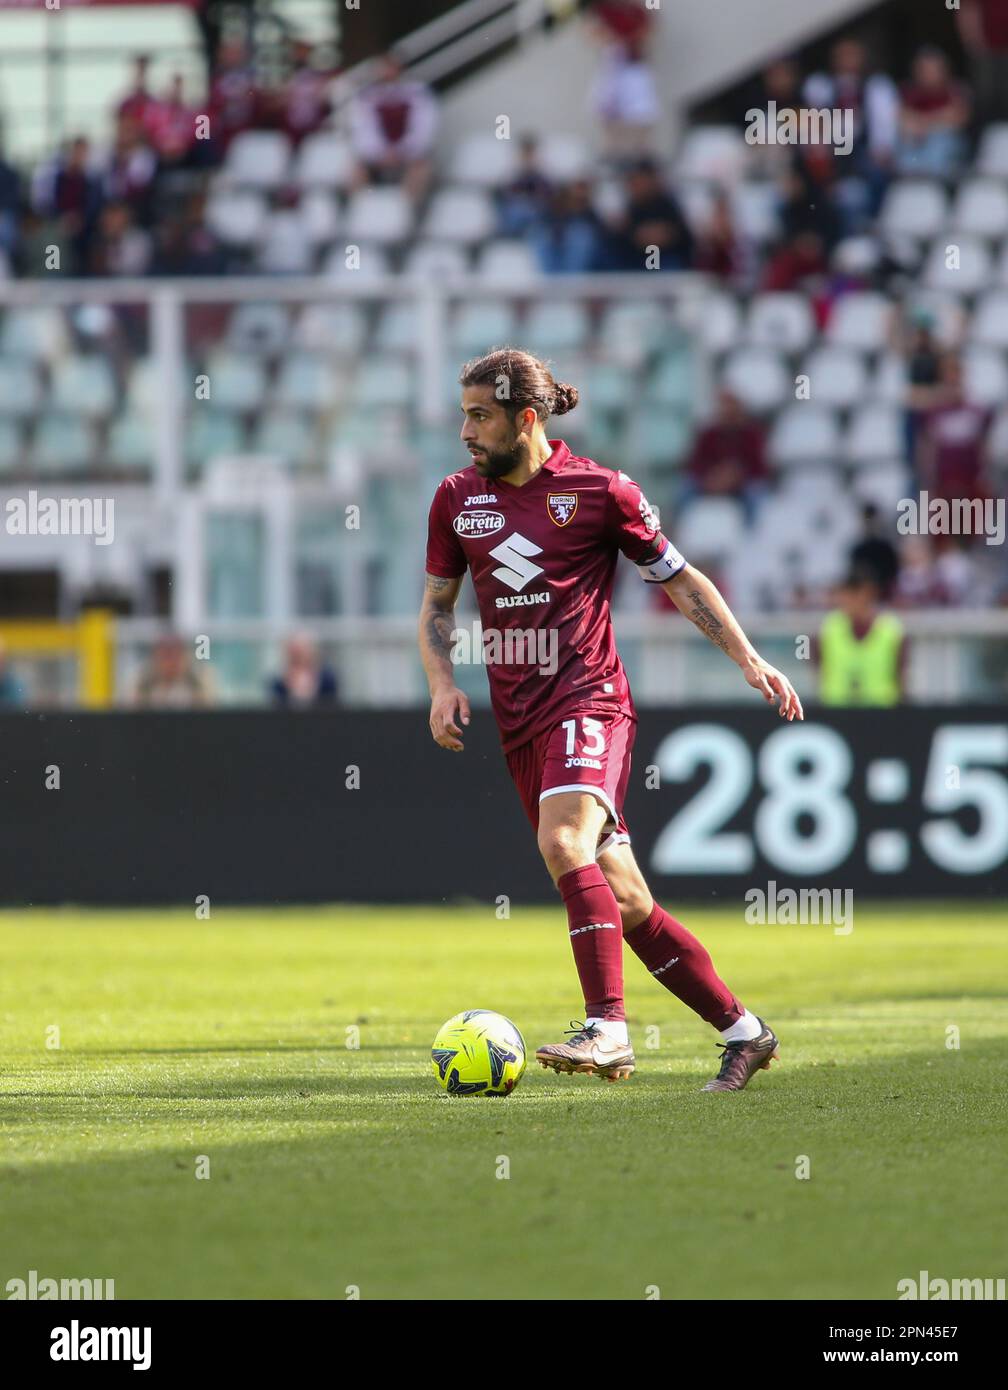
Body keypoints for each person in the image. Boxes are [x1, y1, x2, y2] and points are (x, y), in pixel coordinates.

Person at [419, 348, 803, 1093]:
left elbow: (680, 578)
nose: (464, 431)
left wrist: (749, 659)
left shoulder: (600, 491)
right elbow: (437, 607)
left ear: (525, 419)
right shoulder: (455, 499)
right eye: (462, 414)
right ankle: (743, 1031)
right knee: (626, 901)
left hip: (589, 699)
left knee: (563, 841)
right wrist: (441, 683)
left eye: (478, 416)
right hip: (520, 721)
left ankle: (608, 1031)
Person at [349, 53, 438, 203]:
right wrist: (381, 152)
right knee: (354, 170)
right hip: (379, 157)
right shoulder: (368, 95)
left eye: (389, 67)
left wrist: (403, 150)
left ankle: (404, 213)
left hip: (409, 155)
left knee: (421, 169)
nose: (386, 72)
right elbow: (363, 128)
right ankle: (363, 211)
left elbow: (424, 127)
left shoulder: (417, 92)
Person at [817, 570, 905, 705]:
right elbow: (817, 663)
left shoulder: (891, 630)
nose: (846, 600)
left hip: (882, 712)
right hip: (836, 710)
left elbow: (901, 674)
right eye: (844, 595)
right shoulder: (829, 628)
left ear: (869, 593)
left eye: (853, 594)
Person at [896, 47, 971, 179]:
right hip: (917, 144)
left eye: (932, 69)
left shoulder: (956, 90)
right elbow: (903, 120)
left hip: (948, 150)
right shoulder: (909, 93)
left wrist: (923, 122)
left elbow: (959, 118)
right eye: (924, 70)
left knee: (940, 142)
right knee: (904, 144)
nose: (928, 74)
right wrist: (938, 118)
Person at [134, 634, 212, 708]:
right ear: (156, 657)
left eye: (176, 655)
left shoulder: (198, 685)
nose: (171, 662)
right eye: (166, 655)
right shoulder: (143, 686)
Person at [267, 634, 338, 707]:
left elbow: (332, 704)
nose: (299, 655)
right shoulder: (279, 680)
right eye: (295, 651)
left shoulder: (327, 679)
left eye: (302, 650)